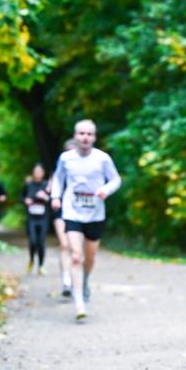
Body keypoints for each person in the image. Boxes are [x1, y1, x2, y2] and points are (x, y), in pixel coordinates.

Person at [50, 120, 122, 320]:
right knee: (75, 255)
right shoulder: (66, 158)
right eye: (81, 133)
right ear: (75, 136)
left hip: (95, 213)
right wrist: (55, 197)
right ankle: (79, 302)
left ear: (94, 138)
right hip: (72, 211)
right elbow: (58, 178)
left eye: (89, 134)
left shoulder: (102, 159)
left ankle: (85, 279)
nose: (85, 137)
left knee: (89, 258)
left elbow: (116, 179)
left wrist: (105, 190)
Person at [48, 139, 77, 298]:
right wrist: (53, 194)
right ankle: (66, 281)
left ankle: (77, 279)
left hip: (79, 211)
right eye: (68, 150)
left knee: (75, 248)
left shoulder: (83, 169)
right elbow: (52, 186)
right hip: (61, 210)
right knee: (64, 245)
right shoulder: (59, 170)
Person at [22, 163, 50, 275]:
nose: (38, 173)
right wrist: (25, 201)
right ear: (33, 173)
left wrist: (45, 197)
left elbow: (54, 201)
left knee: (41, 242)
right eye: (36, 171)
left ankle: (41, 266)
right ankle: (32, 260)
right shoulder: (28, 185)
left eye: (40, 171)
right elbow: (21, 197)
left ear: (43, 173)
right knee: (33, 241)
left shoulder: (47, 185)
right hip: (31, 218)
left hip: (43, 218)